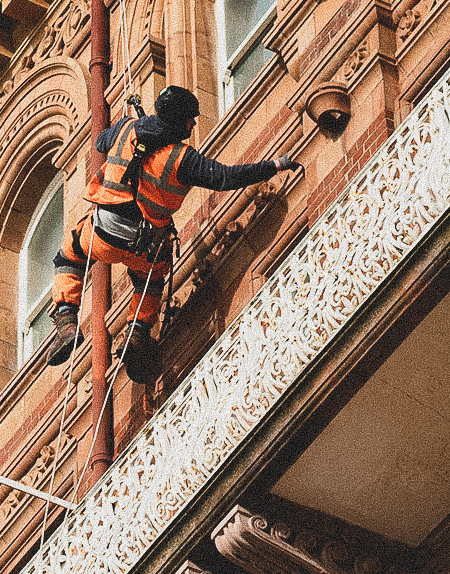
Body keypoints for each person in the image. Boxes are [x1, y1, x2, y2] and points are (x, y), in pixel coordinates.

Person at [46, 85, 299, 383]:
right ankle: (137, 333)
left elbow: (102, 141)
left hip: (103, 233)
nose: (193, 124)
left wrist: (129, 125)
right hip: (145, 245)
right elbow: (226, 177)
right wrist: (274, 165)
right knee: (151, 280)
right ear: (179, 120)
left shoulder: (128, 129)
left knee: (69, 256)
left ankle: (65, 318)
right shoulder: (183, 158)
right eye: (190, 119)